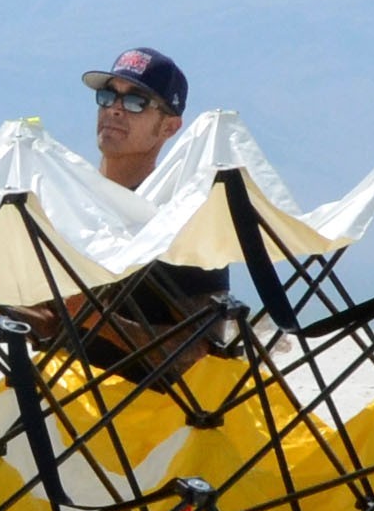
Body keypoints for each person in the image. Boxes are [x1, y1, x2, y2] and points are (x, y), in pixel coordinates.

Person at [35, 45, 237, 377]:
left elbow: (201, 351)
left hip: (148, 414)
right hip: (68, 400)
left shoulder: (181, 219)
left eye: (135, 102)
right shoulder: (69, 206)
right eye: (108, 96)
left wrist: (97, 319)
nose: (115, 109)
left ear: (170, 127)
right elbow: (52, 325)